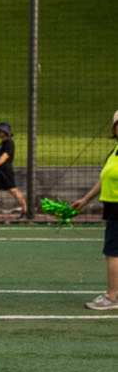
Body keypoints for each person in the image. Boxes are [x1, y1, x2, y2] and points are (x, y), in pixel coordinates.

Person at [79, 109, 118, 310]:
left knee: (113, 252)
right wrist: (85, 199)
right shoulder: (114, 152)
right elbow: (104, 180)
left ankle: (112, 297)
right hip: (112, 207)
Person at [0, 122, 26, 221]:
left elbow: (5, 156)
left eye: (0, 131)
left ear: (5, 132)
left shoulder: (9, 143)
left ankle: (25, 210)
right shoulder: (2, 143)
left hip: (5, 171)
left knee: (13, 190)